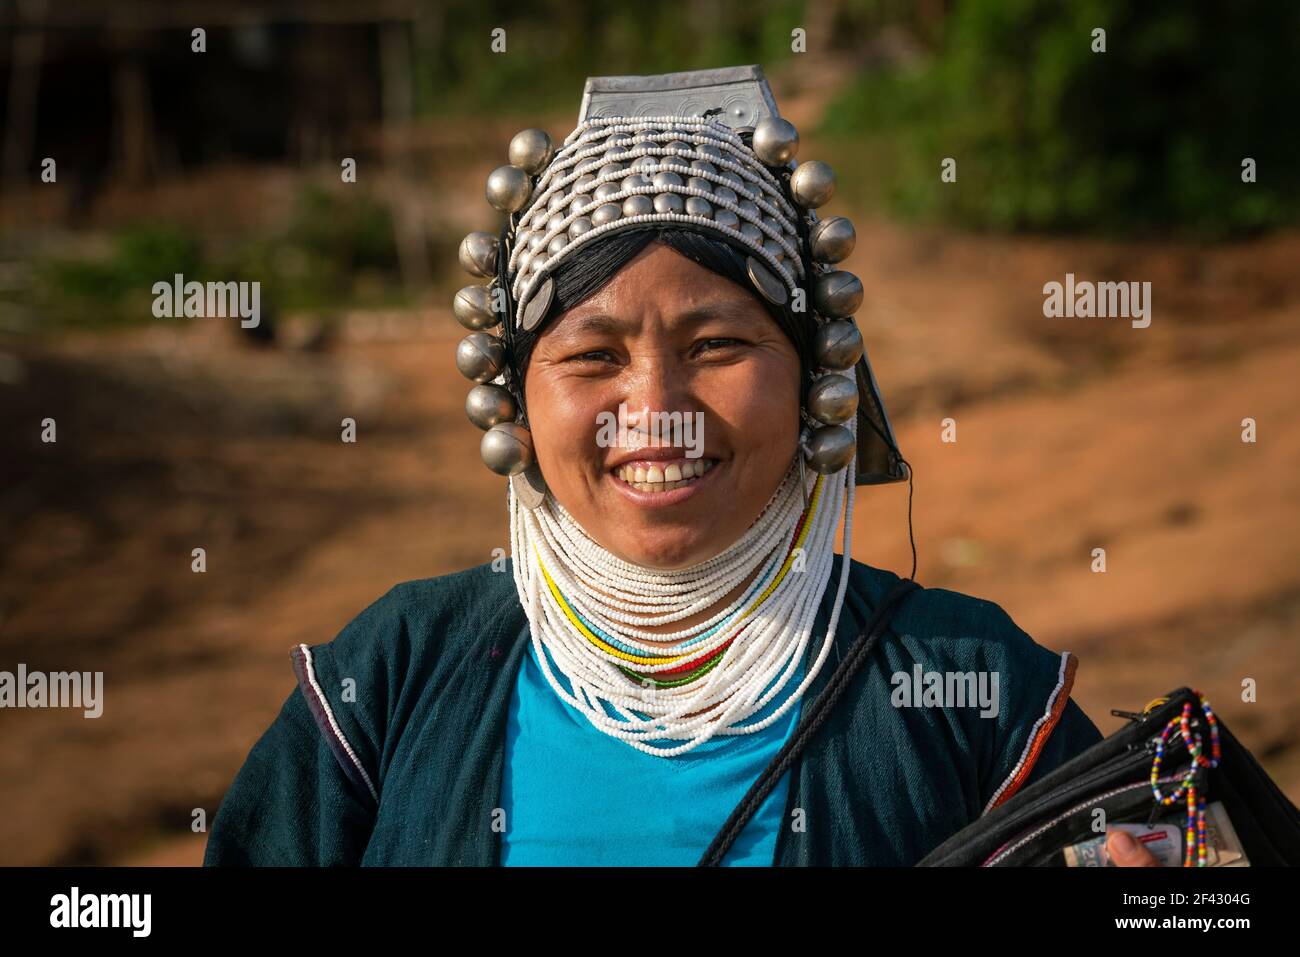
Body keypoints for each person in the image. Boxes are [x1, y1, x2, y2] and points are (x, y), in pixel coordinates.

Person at [203, 65, 1158, 867]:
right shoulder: (400, 669)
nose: (656, 413)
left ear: (815, 378)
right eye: (592, 356)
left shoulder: (965, 682)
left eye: (716, 346)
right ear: (514, 398)